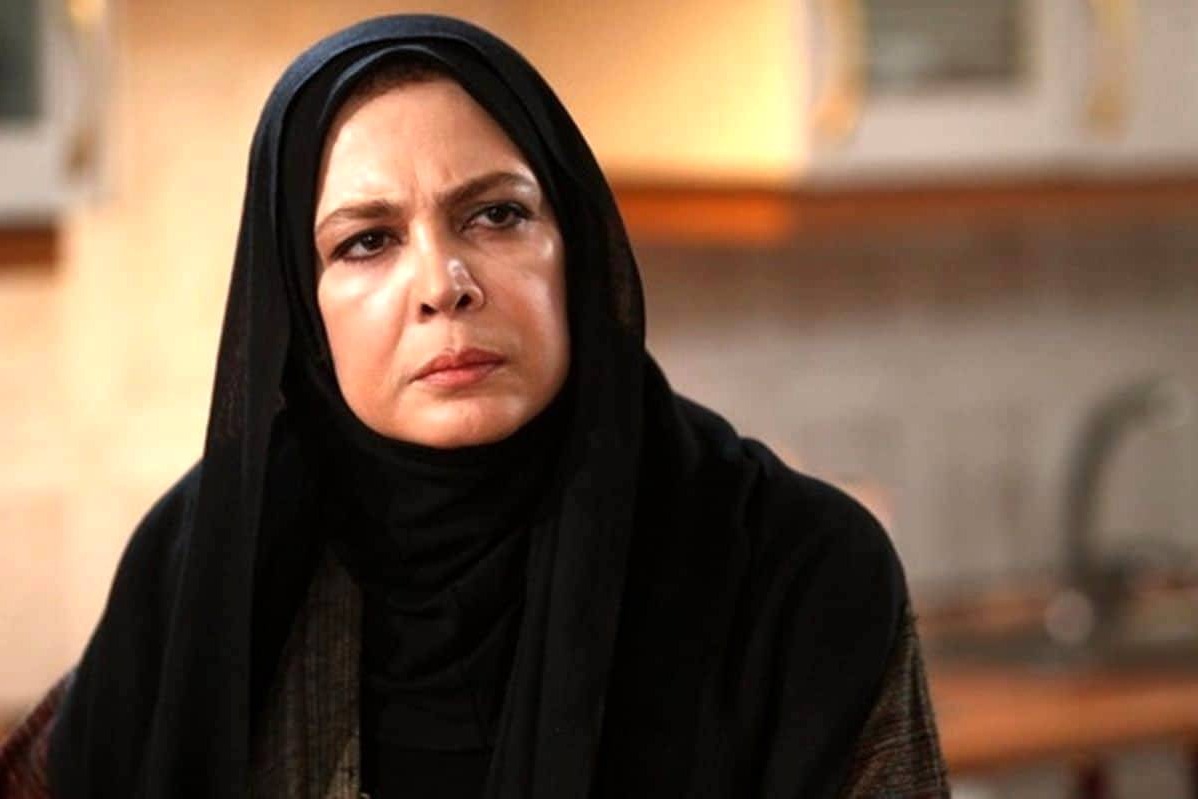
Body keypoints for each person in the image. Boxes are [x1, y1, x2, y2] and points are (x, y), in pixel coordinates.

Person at [0, 14, 947, 798]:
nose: (443, 283)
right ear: (299, 308)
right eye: (368, 241)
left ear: (574, 244)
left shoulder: (792, 571)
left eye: (496, 215)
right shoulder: (211, 556)